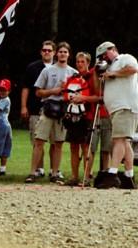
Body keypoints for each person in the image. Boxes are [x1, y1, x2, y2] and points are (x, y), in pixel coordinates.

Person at [25, 41, 76, 184]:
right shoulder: (47, 71)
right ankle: (33, 172)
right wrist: (53, 91)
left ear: (68, 54)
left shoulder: (73, 72)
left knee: (58, 143)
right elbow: (38, 92)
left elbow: (78, 92)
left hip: (63, 110)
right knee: (39, 141)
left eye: (65, 52)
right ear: (56, 53)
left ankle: (55, 173)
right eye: (60, 51)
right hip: (48, 108)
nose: (62, 54)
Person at [93, 41, 138, 189]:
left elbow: (134, 69)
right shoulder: (108, 67)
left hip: (126, 105)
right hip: (116, 108)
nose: (103, 58)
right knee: (125, 142)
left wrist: (114, 73)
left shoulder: (125, 58)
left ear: (112, 50)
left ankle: (112, 174)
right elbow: (97, 90)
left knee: (118, 140)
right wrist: (98, 73)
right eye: (100, 57)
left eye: (104, 54)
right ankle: (129, 176)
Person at [20, 40, 55, 179]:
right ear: (41, 52)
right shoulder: (32, 67)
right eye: (44, 50)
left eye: (49, 50)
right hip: (35, 109)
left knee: (55, 141)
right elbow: (26, 88)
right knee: (37, 141)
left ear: (54, 52)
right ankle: (39, 168)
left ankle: (54, 170)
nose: (46, 52)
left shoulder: (59, 67)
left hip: (55, 110)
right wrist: (23, 106)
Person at [61, 52, 94, 186]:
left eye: (82, 62)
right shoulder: (72, 78)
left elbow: (94, 95)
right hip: (72, 115)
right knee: (73, 147)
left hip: (86, 116)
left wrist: (82, 98)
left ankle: (86, 177)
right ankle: (74, 176)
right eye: (78, 62)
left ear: (88, 63)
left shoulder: (92, 77)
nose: (80, 64)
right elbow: (65, 95)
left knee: (85, 147)